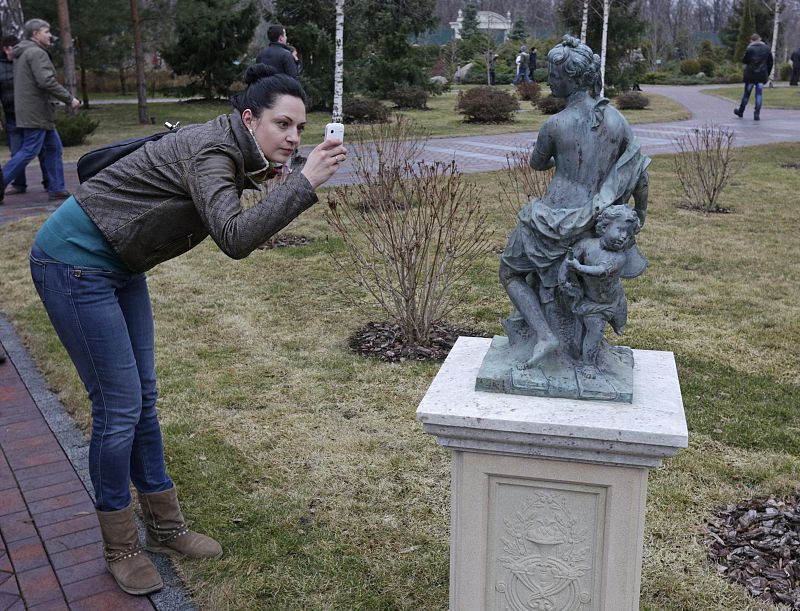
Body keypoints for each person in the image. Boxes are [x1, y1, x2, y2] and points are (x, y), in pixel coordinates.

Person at [28, 63, 347, 597]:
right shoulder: (213, 150)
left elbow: (214, 195)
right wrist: (305, 183)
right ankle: (120, 544)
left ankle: (165, 524)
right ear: (250, 118)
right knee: (118, 406)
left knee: (143, 398)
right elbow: (234, 236)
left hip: (119, 262)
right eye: (283, 125)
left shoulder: (230, 146)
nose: (294, 138)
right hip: (73, 262)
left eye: (300, 128)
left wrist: (263, 175)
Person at [499, 35, 649, 369]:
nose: (549, 79)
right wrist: (639, 214)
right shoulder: (618, 122)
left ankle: (544, 335)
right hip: (596, 220)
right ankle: (566, 342)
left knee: (509, 272)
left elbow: (537, 164)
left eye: (555, 73)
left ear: (573, 78)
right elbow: (639, 173)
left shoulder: (554, 124)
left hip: (551, 219)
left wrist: (561, 161)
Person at [2, 20, 79, 200]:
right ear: (35, 34)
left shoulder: (23, 52)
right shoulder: (36, 53)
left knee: (53, 148)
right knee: (29, 149)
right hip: (37, 111)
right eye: (46, 31)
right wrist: (69, 99)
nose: (50, 35)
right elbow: (46, 81)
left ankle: (57, 188)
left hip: (34, 110)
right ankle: (2, 181)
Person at [560, 205, 642, 373]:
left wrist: (578, 268)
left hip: (613, 300)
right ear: (605, 226)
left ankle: (617, 325)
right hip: (591, 302)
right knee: (594, 332)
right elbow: (567, 263)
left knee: (619, 320)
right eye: (620, 230)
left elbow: (600, 271)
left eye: (628, 235)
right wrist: (563, 278)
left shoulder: (619, 257)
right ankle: (588, 364)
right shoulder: (586, 245)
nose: (623, 237)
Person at [0, 34, 47, 198]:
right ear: (6, 49)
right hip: (12, 116)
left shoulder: (24, 60)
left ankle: (50, 183)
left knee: (41, 150)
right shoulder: (1, 67)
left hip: (30, 115)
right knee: (16, 152)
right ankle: (18, 184)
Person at [734, 33, 773, 121]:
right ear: (760, 39)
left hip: (750, 75)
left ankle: (741, 111)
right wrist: (767, 73)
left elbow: (744, 60)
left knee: (746, 94)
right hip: (761, 75)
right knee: (759, 94)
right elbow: (770, 62)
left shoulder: (750, 48)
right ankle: (757, 114)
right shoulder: (767, 49)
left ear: (752, 40)